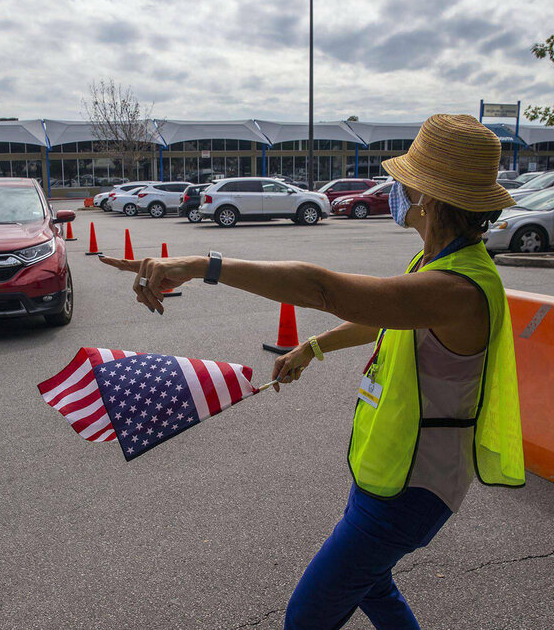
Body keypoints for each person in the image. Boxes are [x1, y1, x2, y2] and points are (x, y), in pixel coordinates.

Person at [100, 114, 525, 629]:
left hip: (411, 489)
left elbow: (322, 288)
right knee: (374, 584)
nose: (397, 188)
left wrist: (200, 265)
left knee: (306, 616)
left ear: (428, 199)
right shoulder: (438, 267)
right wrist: (314, 347)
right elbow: (380, 321)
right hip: (391, 472)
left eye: (405, 181)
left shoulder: (457, 287)